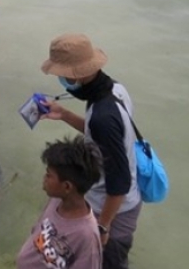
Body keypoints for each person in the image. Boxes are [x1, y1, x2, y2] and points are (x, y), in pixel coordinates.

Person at [40, 33, 142, 269]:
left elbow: (120, 183)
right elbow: (103, 138)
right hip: (119, 200)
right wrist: (64, 114)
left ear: (80, 73)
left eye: (62, 74)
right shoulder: (115, 89)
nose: (61, 79)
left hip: (113, 209)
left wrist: (103, 227)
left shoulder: (102, 117)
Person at [17, 136, 104, 269]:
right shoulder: (56, 201)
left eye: (48, 175)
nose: (44, 178)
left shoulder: (86, 237)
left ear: (67, 187)